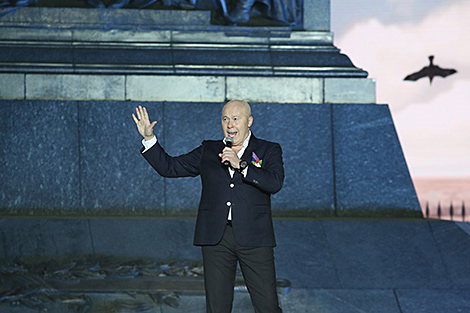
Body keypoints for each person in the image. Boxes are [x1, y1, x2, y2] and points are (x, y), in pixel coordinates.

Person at [132, 100, 284, 313]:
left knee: (267, 305)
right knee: (217, 306)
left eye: (235, 119)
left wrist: (241, 165)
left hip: (255, 238)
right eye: (224, 119)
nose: (229, 124)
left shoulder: (268, 150)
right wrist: (149, 138)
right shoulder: (209, 150)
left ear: (249, 121)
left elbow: (274, 182)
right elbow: (169, 167)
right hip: (216, 238)